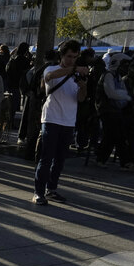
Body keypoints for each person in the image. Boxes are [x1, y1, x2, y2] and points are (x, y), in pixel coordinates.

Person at [33, 39, 88, 205]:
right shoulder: (52, 68)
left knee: (60, 160)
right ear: (62, 56)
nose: (72, 60)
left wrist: (83, 86)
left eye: (75, 57)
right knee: (46, 157)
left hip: (69, 121)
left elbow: (80, 98)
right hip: (51, 119)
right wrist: (73, 70)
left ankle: (52, 189)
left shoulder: (76, 75)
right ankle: (38, 192)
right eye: (69, 56)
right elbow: (49, 77)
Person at [95, 52, 134, 169]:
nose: (127, 68)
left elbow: (123, 92)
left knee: (116, 134)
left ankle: (104, 159)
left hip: (115, 110)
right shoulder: (108, 75)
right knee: (115, 134)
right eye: (124, 65)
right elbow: (112, 93)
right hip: (106, 109)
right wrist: (125, 96)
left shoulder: (117, 76)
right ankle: (123, 160)